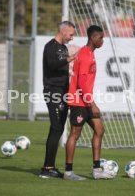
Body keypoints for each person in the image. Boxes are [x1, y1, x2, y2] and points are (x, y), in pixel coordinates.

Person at [63, 25, 113, 180]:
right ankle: (68, 172)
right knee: (75, 134)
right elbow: (81, 84)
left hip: (86, 100)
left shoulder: (90, 54)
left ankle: (97, 171)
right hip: (79, 101)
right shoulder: (84, 55)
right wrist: (92, 104)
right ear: (93, 38)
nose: (102, 41)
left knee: (99, 130)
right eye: (100, 38)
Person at [39, 21, 76, 179]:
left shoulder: (64, 48)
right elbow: (52, 65)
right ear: (63, 31)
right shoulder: (50, 46)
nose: (72, 37)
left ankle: (49, 167)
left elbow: (59, 69)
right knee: (56, 128)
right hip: (52, 92)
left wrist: (69, 74)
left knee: (58, 129)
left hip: (63, 92)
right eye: (71, 34)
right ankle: (47, 169)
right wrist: (69, 60)